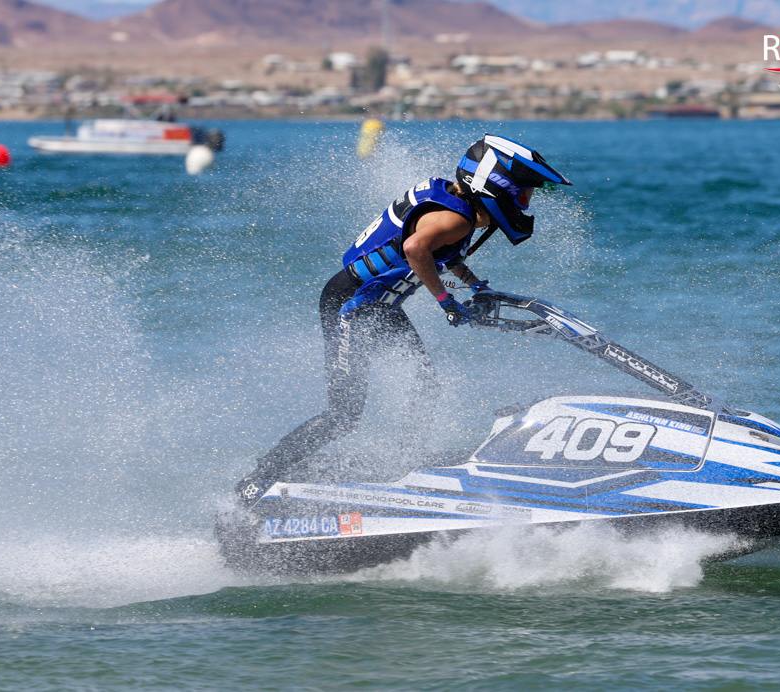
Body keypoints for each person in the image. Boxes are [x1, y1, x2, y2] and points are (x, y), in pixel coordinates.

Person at [235, 134, 571, 505]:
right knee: (343, 414)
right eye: (523, 195)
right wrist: (444, 300)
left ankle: (405, 465)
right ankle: (258, 481)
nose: (525, 203)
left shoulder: (452, 203)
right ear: (496, 187)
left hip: (378, 307)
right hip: (351, 305)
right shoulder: (457, 220)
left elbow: (440, 252)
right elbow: (415, 248)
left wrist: (475, 285)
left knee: (425, 386)